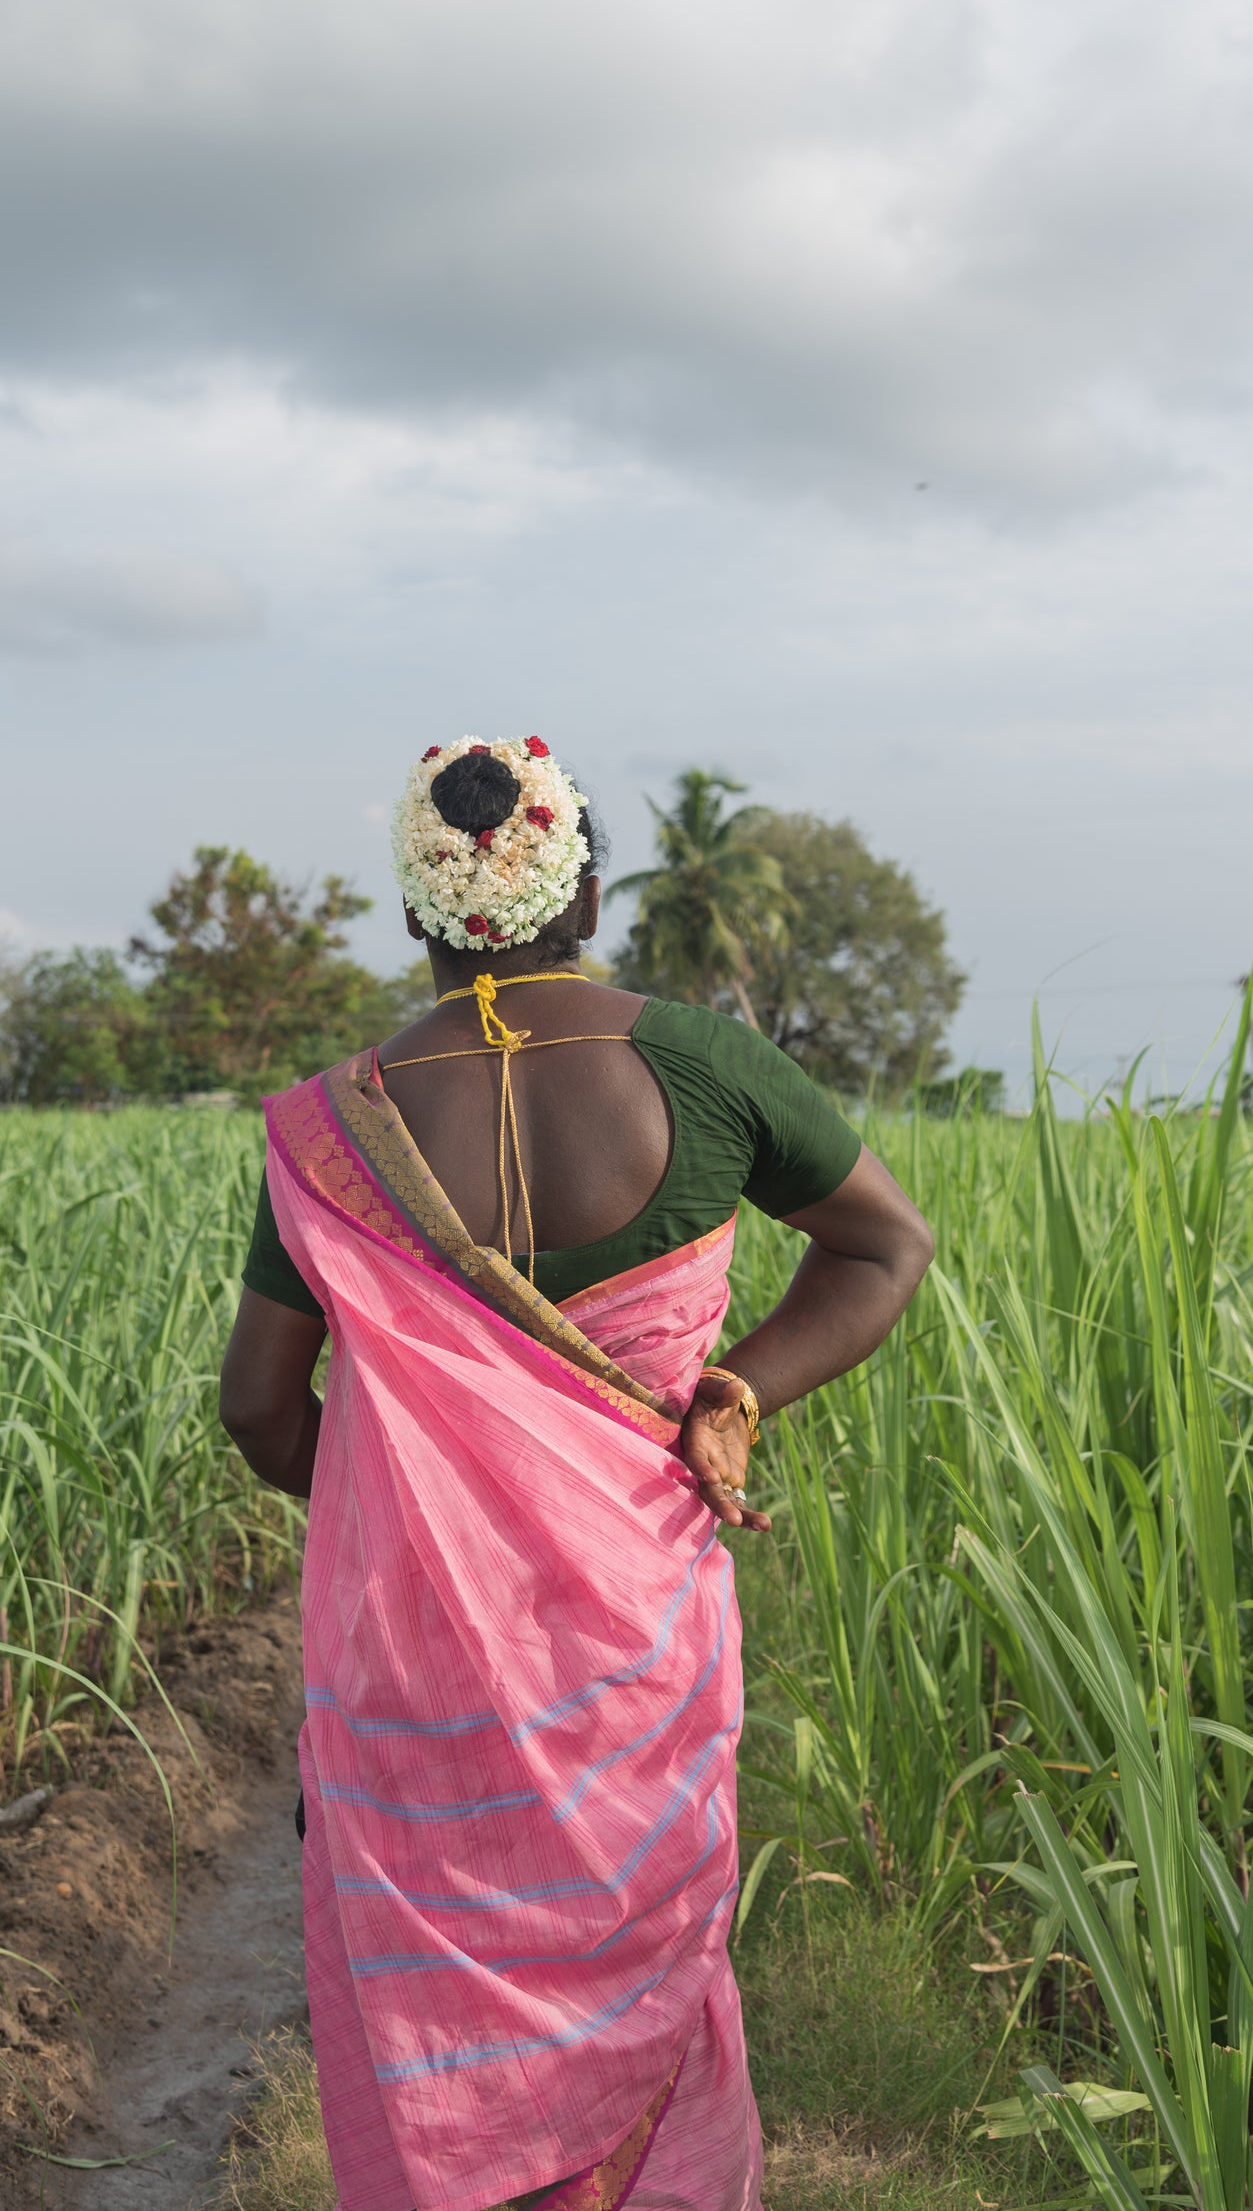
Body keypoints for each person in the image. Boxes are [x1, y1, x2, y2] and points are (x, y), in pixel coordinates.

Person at [219, 736, 933, 2211]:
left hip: (410, 1657)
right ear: (589, 894)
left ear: (419, 920)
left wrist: (409, 1516)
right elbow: (884, 1246)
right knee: (644, 1957)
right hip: (629, 1641)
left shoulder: (333, 1124)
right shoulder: (697, 1062)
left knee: (436, 2010)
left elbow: (255, 1409)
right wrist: (735, 1385)